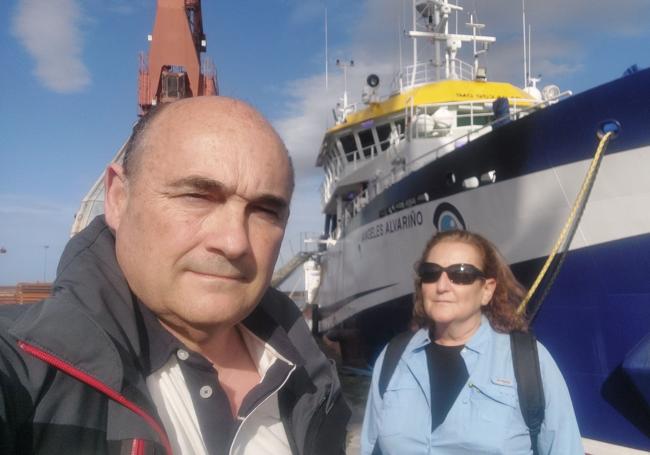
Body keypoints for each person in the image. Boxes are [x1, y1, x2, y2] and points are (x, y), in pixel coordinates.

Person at [0, 97, 350, 454]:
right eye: (197, 196)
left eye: (264, 210)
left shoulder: (313, 379)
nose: (234, 242)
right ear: (119, 199)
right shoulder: (25, 371)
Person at [360, 229, 583, 454]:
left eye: (461, 274)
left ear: (486, 290)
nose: (442, 286)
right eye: (431, 273)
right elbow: (370, 446)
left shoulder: (528, 362)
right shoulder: (394, 357)